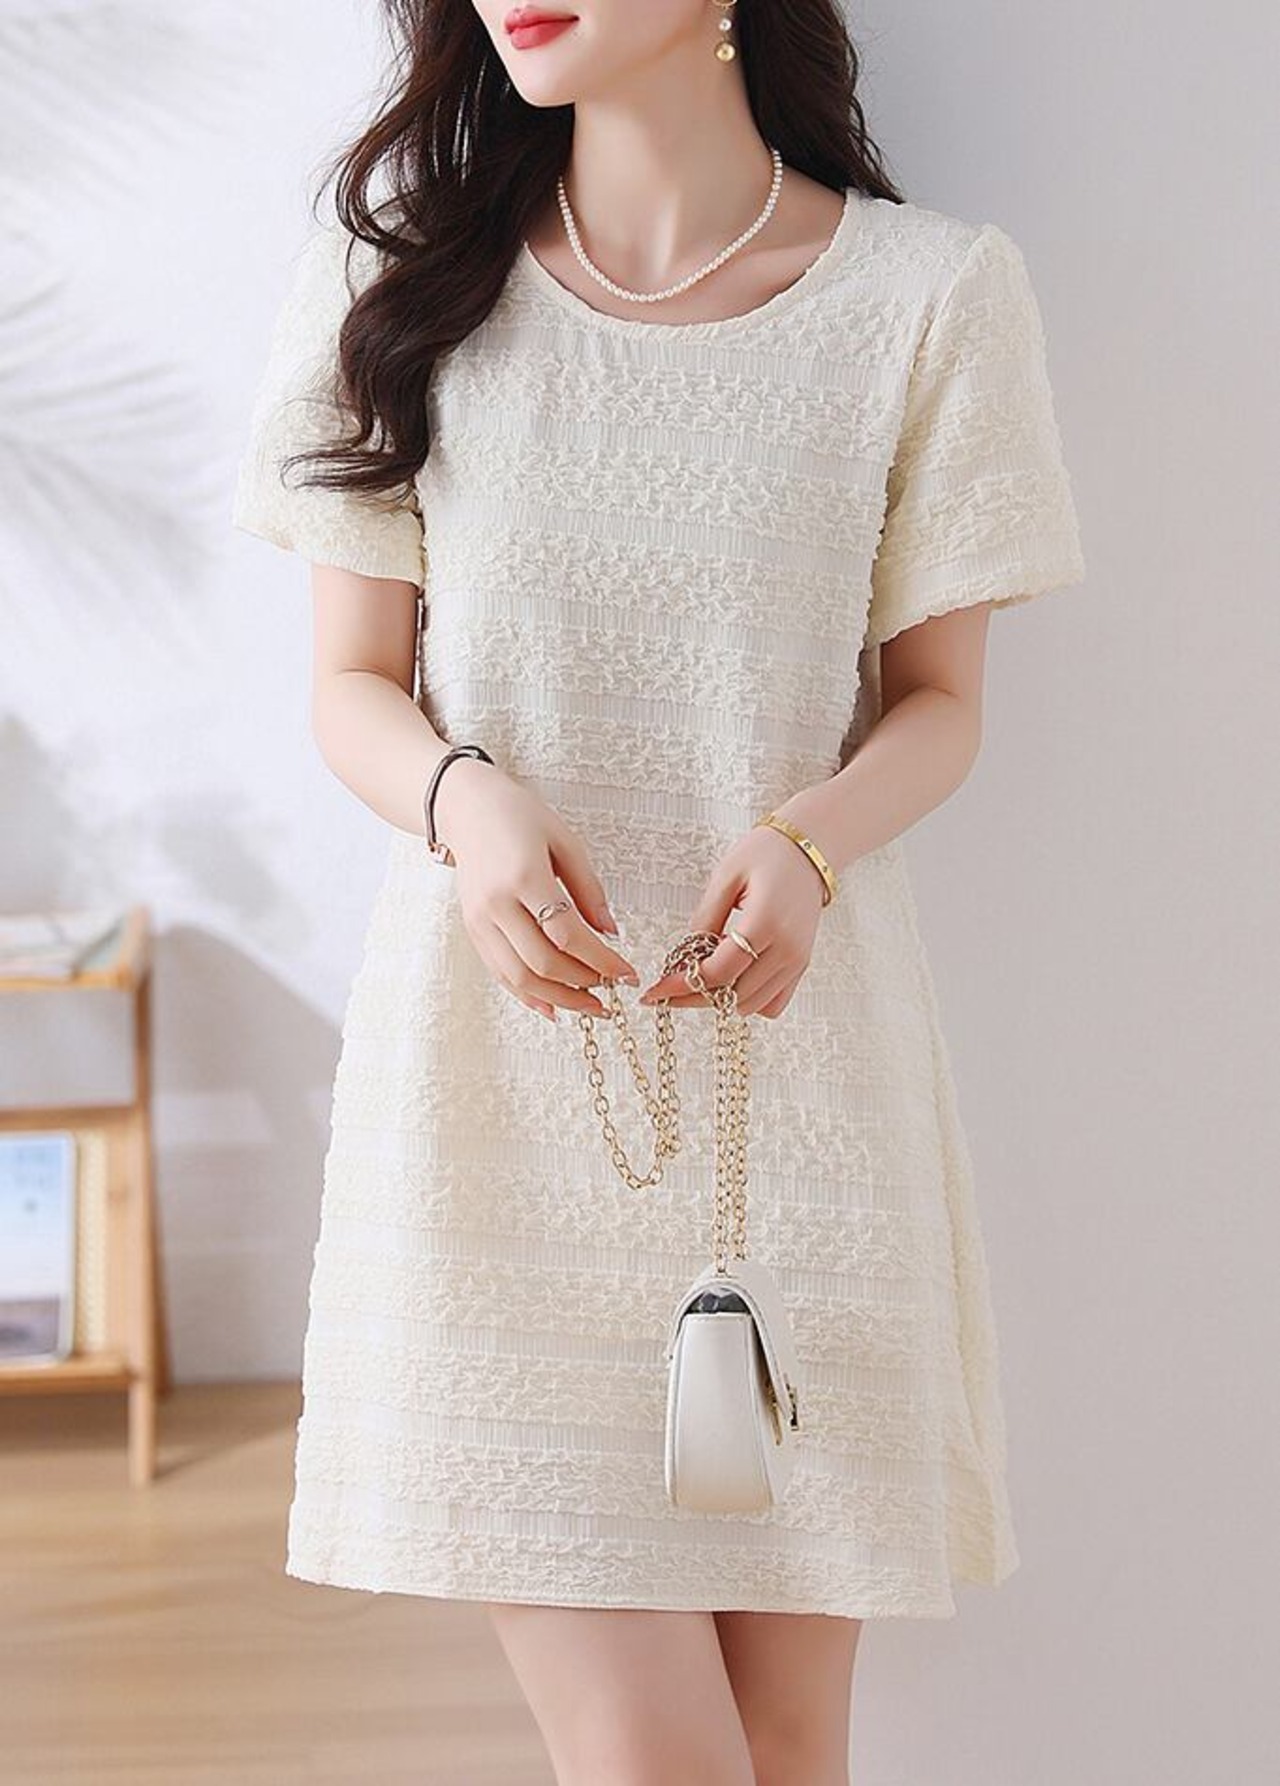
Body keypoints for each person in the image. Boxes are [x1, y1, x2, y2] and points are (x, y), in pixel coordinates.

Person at [231, 2, 1086, 1780]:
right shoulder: (400, 285)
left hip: (799, 1101)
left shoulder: (928, 297)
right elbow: (349, 685)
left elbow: (940, 705)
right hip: (500, 1112)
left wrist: (813, 840)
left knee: (786, 1742)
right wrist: (464, 804)